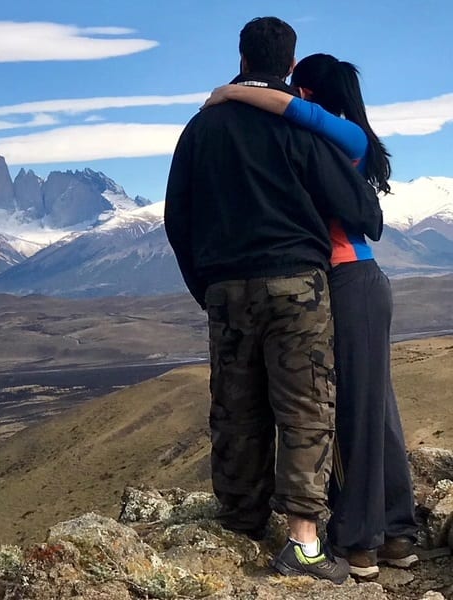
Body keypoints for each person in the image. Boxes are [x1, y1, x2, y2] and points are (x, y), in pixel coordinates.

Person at [165, 17, 384, 584]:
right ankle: (304, 544)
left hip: (225, 288)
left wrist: (205, 287)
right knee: (306, 406)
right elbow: (361, 211)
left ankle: (239, 522)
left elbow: (176, 218)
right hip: (297, 284)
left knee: (234, 406)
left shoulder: (200, 129)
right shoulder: (301, 130)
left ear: (241, 58)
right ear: (290, 65)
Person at [202, 53, 419, 580]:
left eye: (299, 88)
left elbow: (284, 105)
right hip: (360, 282)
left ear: (312, 92)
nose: (292, 95)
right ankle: (397, 534)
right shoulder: (345, 139)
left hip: (344, 283)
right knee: (376, 410)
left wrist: (231, 93)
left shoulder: (338, 134)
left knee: (346, 414)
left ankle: (357, 543)